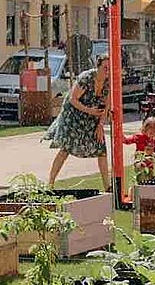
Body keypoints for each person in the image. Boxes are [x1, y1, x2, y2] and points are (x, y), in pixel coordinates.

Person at [46, 53, 112, 191]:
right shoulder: (86, 78)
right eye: (105, 68)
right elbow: (73, 99)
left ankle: (107, 186)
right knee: (65, 149)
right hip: (74, 114)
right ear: (98, 67)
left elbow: (106, 105)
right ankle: (50, 183)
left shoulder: (108, 82)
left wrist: (100, 125)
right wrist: (90, 110)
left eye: (109, 68)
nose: (108, 71)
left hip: (92, 115)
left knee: (101, 150)